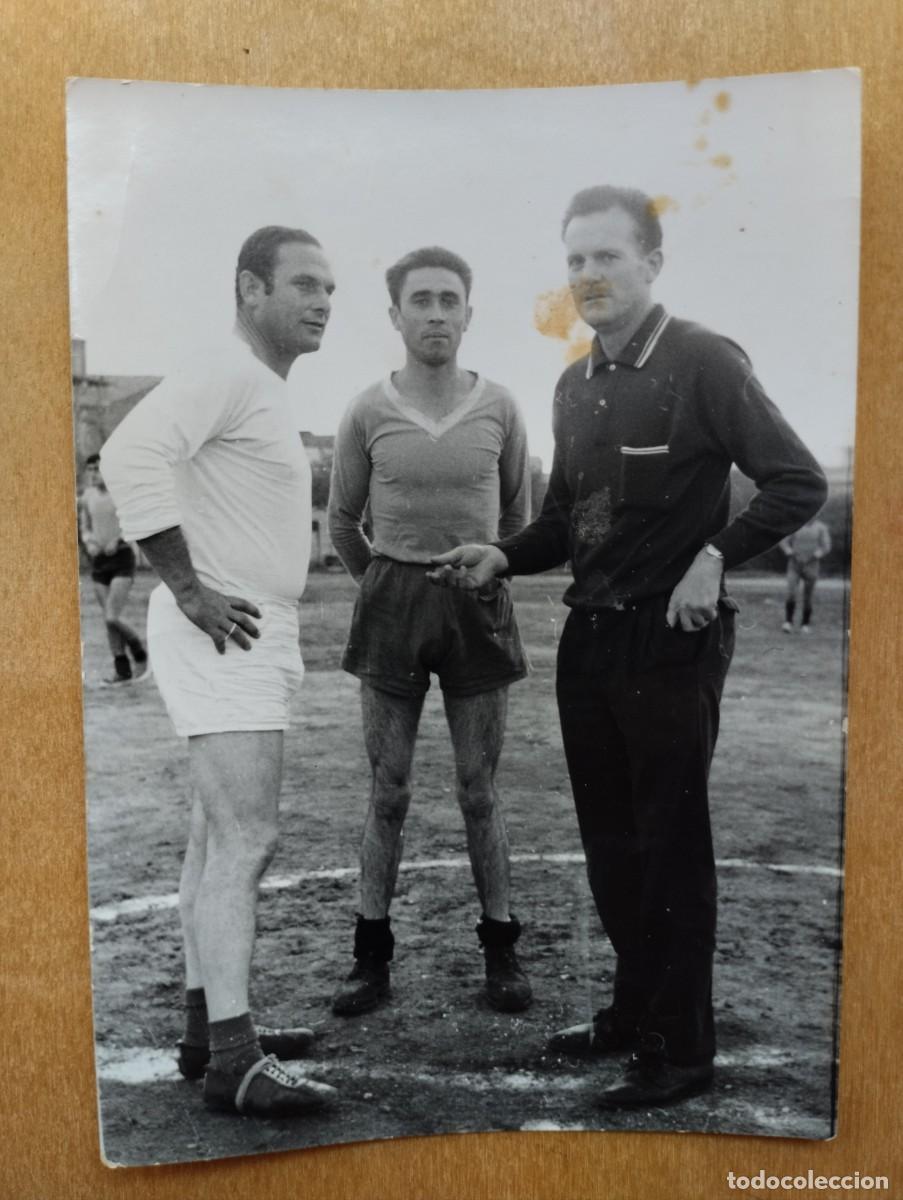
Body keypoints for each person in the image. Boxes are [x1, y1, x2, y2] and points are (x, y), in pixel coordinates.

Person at [430, 187, 828, 1108]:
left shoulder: (702, 360)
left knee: (668, 846)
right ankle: (631, 1010)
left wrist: (712, 559)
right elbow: (568, 521)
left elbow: (797, 480)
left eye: (606, 256)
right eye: (574, 260)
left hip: (670, 643)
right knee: (611, 845)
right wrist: (502, 553)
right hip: (592, 639)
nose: (587, 275)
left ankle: (680, 1050)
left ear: (651, 263)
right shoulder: (574, 384)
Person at [101, 226, 339, 1118]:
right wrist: (190, 590)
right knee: (245, 839)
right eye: (304, 284)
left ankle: (211, 1034)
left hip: (244, 629)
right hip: (223, 630)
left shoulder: (258, 385)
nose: (322, 302)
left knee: (214, 840)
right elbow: (128, 454)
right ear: (250, 289)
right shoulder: (228, 369)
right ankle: (236, 1062)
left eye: (329, 289)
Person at [327, 246, 533, 1017]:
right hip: (392, 605)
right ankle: (370, 958)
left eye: (450, 300)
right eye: (421, 300)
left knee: (479, 790)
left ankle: (501, 949)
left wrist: (486, 573)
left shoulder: (501, 407)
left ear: (468, 314)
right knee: (388, 790)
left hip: (477, 606)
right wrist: (388, 586)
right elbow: (342, 521)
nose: (436, 314)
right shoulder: (365, 409)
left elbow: (517, 520)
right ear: (395, 315)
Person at [78, 454, 148, 684]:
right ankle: (122, 670)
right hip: (99, 561)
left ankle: (139, 650)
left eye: (98, 468)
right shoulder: (87, 497)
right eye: (90, 469)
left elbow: (132, 523)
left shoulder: (120, 493)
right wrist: (89, 541)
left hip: (122, 559)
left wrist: (117, 540)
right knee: (108, 619)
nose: (94, 473)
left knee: (112, 616)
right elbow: (85, 526)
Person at [781, 515, 832, 632]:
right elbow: (783, 541)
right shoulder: (795, 525)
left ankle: (805, 624)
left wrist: (815, 556)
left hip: (811, 565)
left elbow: (826, 546)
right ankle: (788, 622)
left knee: (808, 596)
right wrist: (790, 552)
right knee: (791, 592)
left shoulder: (821, 527)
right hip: (794, 565)